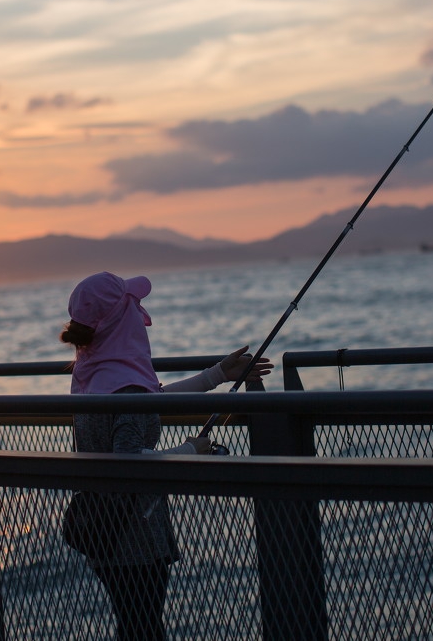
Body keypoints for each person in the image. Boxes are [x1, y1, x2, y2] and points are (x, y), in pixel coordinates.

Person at [60, 271, 271, 640]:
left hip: (103, 528)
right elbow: (130, 462)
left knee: (135, 625)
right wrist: (192, 451)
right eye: (134, 308)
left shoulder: (95, 375)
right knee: (143, 628)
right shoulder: (125, 386)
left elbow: (150, 404)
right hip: (135, 540)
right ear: (124, 321)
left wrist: (218, 374)